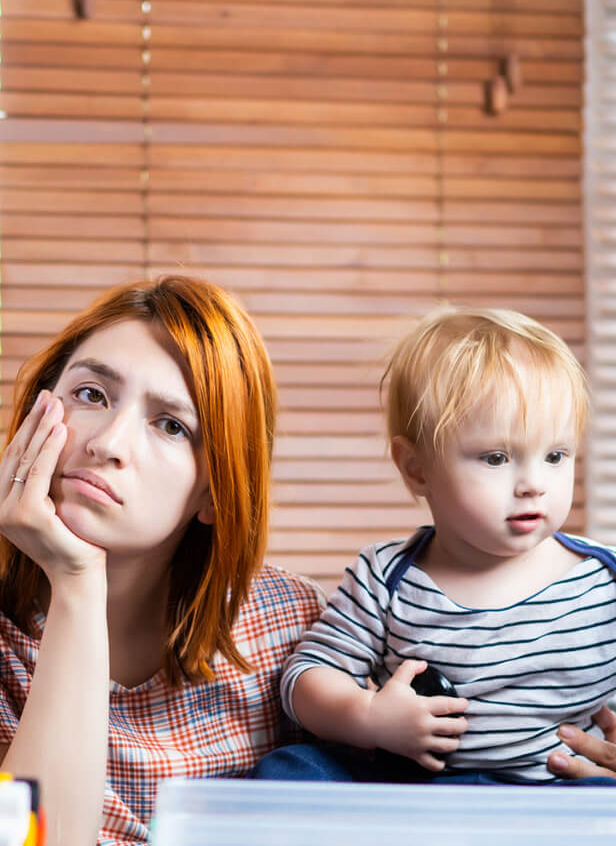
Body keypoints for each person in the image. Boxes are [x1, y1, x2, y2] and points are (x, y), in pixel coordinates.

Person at [0, 275, 326, 846]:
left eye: (171, 426)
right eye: (91, 394)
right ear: (40, 409)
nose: (106, 444)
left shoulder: (288, 618)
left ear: (215, 492)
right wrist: (77, 582)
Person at [257, 306, 616, 786]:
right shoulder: (386, 575)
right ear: (416, 468)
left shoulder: (603, 580)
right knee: (294, 767)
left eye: (555, 455)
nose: (534, 484)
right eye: (496, 457)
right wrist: (366, 716)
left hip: (554, 795)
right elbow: (306, 676)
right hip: (417, 792)